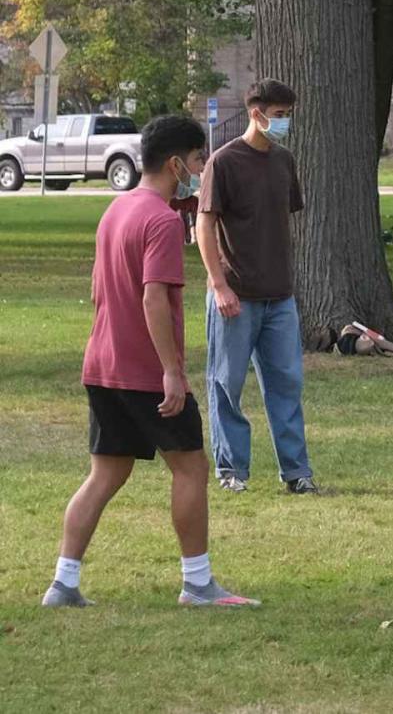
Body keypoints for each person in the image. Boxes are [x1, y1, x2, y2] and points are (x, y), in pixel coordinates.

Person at [42, 115, 259, 608]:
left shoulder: (116, 211)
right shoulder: (160, 220)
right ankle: (198, 583)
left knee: (105, 474)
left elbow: (102, 290)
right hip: (145, 374)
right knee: (192, 470)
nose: (203, 170)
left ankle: (64, 583)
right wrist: (171, 372)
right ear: (176, 163)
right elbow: (153, 299)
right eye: (199, 160)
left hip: (102, 365)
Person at [197, 79, 318, 496]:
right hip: (235, 298)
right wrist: (219, 285)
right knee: (226, 384)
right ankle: (232, 471)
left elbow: (286, 219)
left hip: (279, 297)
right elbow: (204, 223)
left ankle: (297, 472)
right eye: (279, 115)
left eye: (288, 115)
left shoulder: (284, 161)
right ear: (256, 113)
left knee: (287, 384)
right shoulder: (224, 162)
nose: (284, 123)